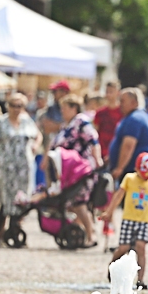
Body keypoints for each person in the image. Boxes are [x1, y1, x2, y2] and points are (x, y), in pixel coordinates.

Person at [101, 152, 148, 290]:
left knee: (141, 248)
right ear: (137, 169)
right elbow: (118, 196)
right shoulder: (129, 179)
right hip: (128, 219)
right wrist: (109, 212)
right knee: (124, 248)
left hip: (143, 221)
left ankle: (140, 280)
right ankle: (112, 266)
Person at [0, 92, 42, 247]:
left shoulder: (27, 121)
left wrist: (36, 145)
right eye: (13, 105)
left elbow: (38, 135)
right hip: (5, 168)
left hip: (24, 168)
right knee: (5, 200)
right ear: (8, 106)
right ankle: (1, 234)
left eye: (20, 106)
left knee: (21, 200)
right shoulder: (0, 122)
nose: (16, 109)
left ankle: (17, 232)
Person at [52, 93, 102, 245]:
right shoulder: (66, 125)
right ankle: (82, 231)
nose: (62, 111)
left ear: (74, 108)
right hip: (69, 171)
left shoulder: (81, 121)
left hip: (82, 169)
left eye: (64, 108)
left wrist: (97, 159)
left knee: (79, 202)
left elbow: (93, 140)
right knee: (73, 203)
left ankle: (91, 234)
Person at [108, 88, 148, 182]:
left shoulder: (135, 119)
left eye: (122, 101)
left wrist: (120, 168)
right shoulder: (133, 117)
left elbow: (128, 145)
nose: (120, 104)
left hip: (132, 172)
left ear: (133, 102)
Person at [94, 81, 123, 163]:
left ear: (118, 93)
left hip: (117, 152)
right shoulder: (100, 112)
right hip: (101, 153)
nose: (108, 94)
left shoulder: (122, 112)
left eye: (111, 92)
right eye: (107, 91)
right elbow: (95, 132)